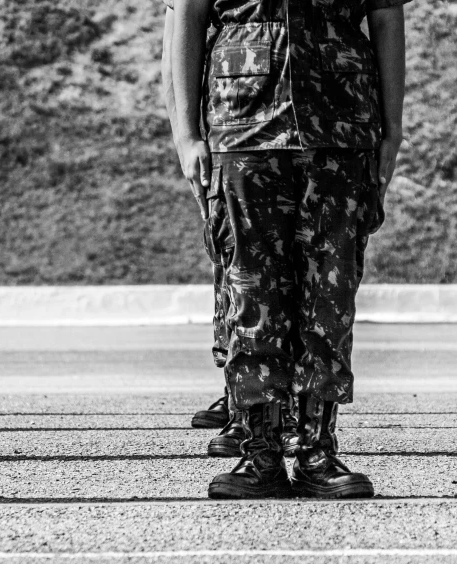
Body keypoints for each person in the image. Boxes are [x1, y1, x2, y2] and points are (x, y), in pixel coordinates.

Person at [170, 0, 409, 499]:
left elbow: (386, 15)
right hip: (243, 125)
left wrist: (392, 129)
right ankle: (260, 452)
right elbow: (187, 14)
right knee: (250, 295)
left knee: (331, 296)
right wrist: (187, 134)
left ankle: (318, 451)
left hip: (341, 128)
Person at [161, 2, 299, 458]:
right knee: (240, 271)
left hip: (304, 121)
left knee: (295, 276)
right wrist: (185, 134)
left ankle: (284, 406)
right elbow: (178, 31)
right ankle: (247, 402)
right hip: (235, 122)